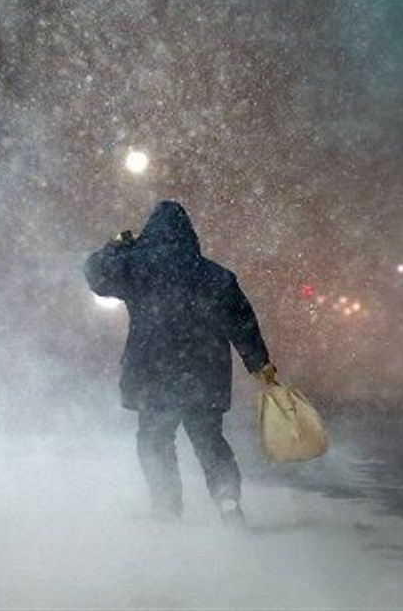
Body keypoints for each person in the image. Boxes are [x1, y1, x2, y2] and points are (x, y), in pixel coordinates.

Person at [84, 200, 277, 525]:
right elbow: (242, 324)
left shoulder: (137, 267)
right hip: (205, 372)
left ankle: (167, 509)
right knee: (210, 442)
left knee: (155, 441)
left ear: (152, 232)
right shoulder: (216, 275)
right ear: (190, 235)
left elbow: (95, 275)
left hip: (153, 373)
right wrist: (260, 364)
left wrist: (116, 245)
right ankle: (228, 503)